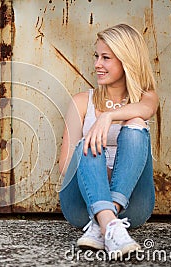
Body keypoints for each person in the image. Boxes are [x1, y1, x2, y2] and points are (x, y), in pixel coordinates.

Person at [58, 23, 159, 259]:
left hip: (132, 207)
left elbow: (146, 109)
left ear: (126, 61)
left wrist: (109, 117)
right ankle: (109, 222)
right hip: (81, 205)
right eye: (97, 56)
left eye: (106, 58)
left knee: (136, 125)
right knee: (86, 144)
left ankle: (103, 222)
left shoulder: (147, 98)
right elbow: (65, 166)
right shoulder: (81, 101)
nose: (97, 64)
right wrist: (98, 176)